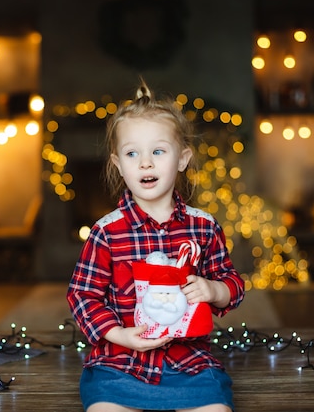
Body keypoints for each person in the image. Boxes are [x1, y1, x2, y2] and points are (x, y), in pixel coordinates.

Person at [67, 79, 245, 412]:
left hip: (188, 362)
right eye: (132, 153)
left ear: (182, 159)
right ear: (119, 164)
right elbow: (82, 295)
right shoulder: (106, 232)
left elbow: (233, 284)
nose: (145, 163)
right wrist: (121, 335)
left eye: (158, 151)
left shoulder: (204, 228)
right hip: (119, 363)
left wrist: (212, 289)